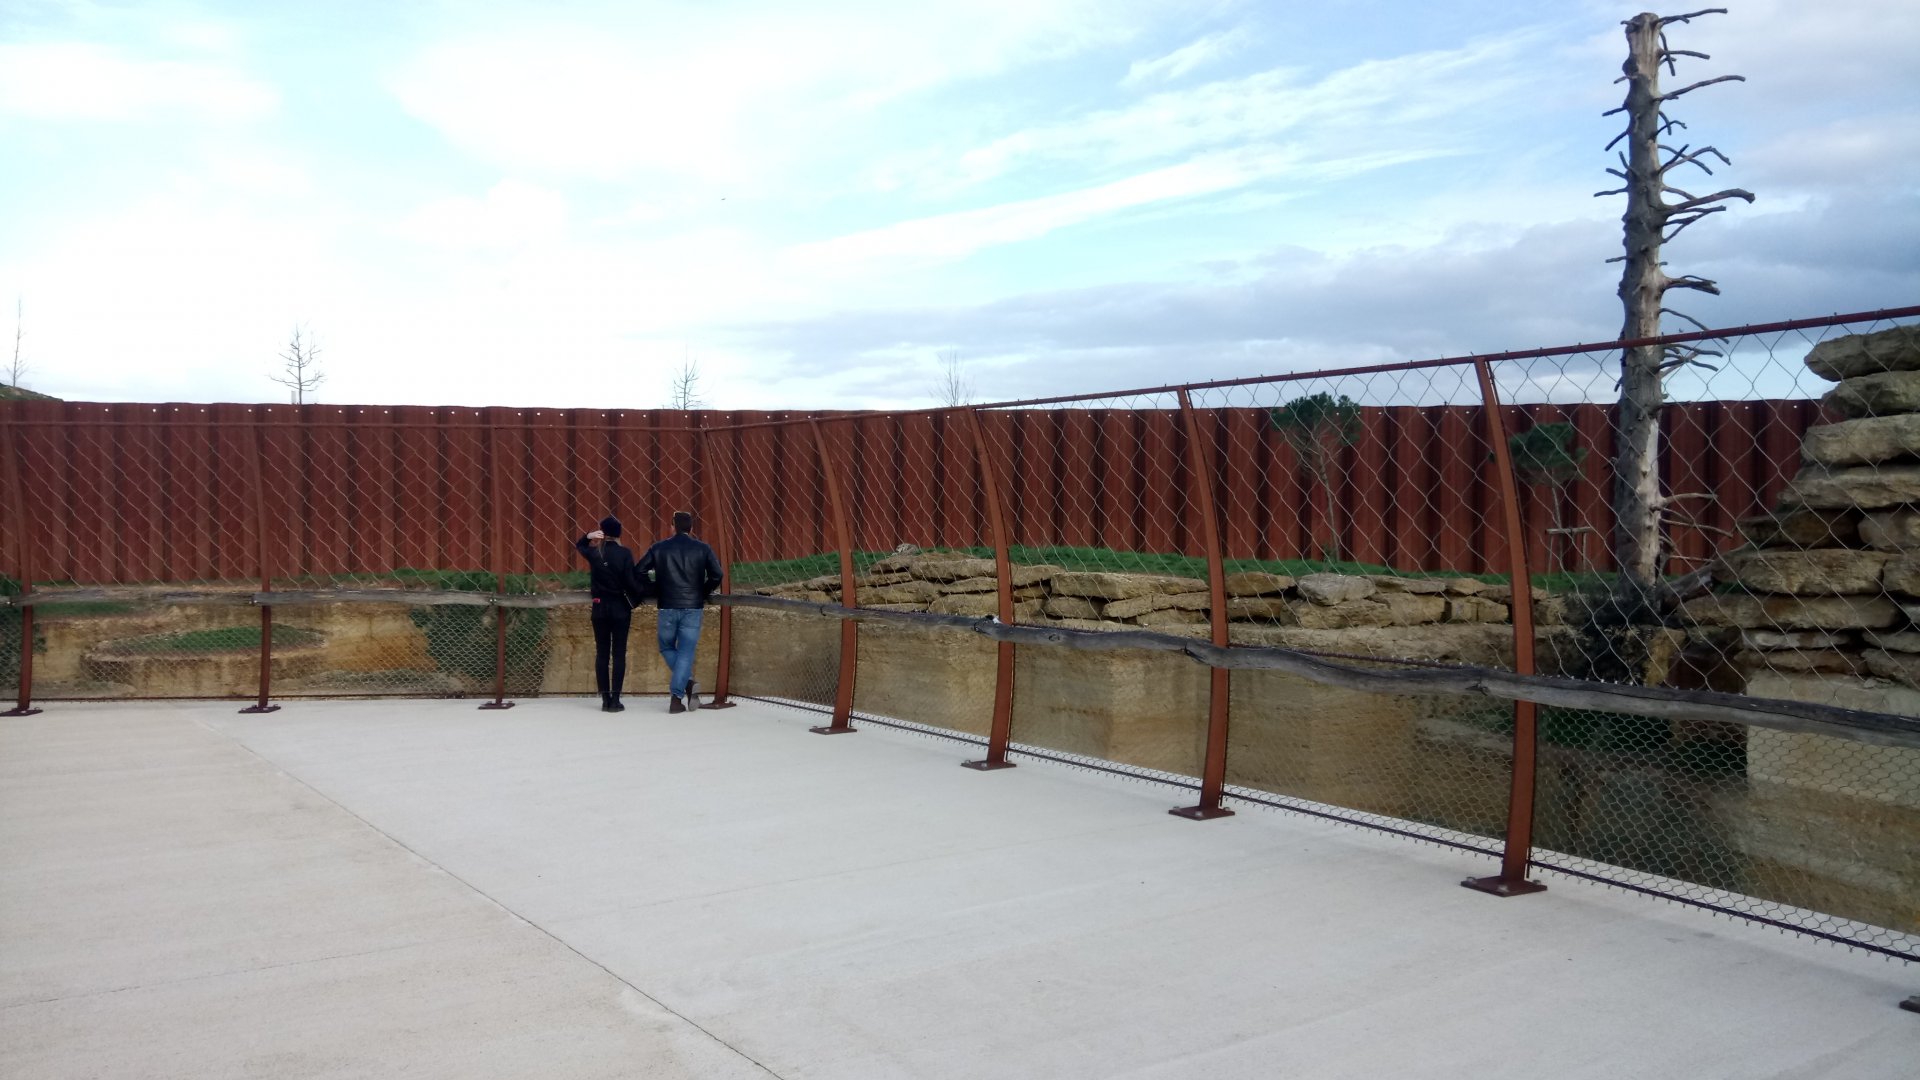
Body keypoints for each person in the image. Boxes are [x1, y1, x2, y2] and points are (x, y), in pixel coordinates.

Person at [636, 510, 725, 713]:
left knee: (666, 647)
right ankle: (677, 697)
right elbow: (717, 574)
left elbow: (639, 570)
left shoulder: (659, 548)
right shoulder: (703, 548)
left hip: (667, 605)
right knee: (686, 652)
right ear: (691, 529)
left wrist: (655, 588)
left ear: (672, 527)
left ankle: (688, 683)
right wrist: (702, 591)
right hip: (693, 607)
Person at [575, 515, 645, 713]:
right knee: (619, 653)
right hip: (620, 608)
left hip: (599, 608)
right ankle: (616, 699)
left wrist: (589, 536)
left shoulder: (595, 553)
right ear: (619, 534)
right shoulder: (625, 553)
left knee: (602, 653)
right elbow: (631, 582)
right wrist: (643, 591)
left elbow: (579, 545)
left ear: (603, 533)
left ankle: (605, 700)